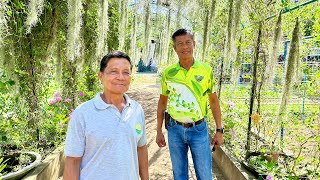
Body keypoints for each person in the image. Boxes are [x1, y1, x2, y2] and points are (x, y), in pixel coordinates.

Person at [63, 51, 149, 180]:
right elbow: (73, 161)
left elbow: (141, 149)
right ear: (101, 76)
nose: (120, 77)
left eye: (126, 72)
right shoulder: (83, 113)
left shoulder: (136, 109)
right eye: (114, 71)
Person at [156, 28, 224, 180]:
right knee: (179, 175)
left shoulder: (206, 70)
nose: (184, 47)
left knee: (205, 175)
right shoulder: (168, 73)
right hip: (174, 129)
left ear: (194, 44)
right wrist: (159, 130)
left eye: (188, 42)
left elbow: (213, 100)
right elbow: (162, 102)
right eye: (179, 44)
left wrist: (220, 129)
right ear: (174, 48)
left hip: (199, 129)